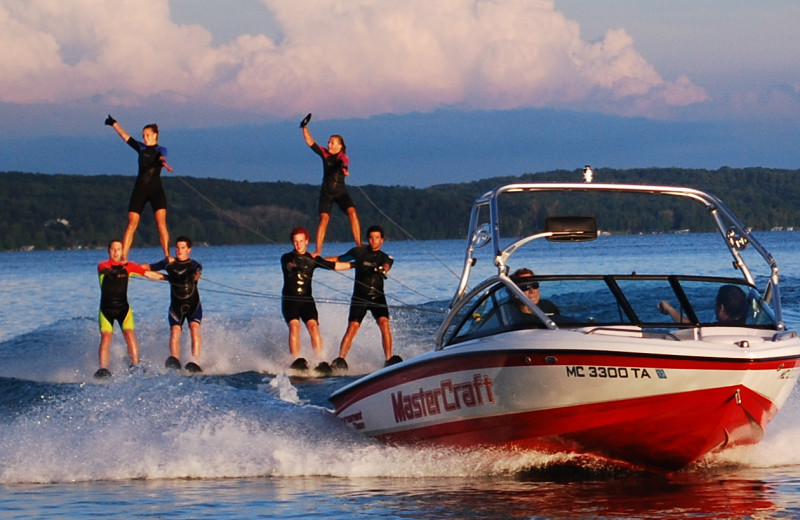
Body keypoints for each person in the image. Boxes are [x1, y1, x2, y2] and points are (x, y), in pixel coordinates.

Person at [326, 225, 400, 369]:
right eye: (371, 238)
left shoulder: (385, 257)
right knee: (353, 326)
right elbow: (338, 259)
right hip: (359, 297)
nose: (374, 241)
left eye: (377, 238)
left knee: (384, 324)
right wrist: (317, 261)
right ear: (368, 239)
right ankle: (340, 359)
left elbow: (387, 264)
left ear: (382, 240)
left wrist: (382, 269)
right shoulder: (358, 252)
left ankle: (389, 359)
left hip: (377, 297)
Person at [281, 226, 351, 369]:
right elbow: (289, 266)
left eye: (301, 241)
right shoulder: (287, 257)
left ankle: (319, 361)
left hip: (307, 300)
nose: (298, 244)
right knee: (294, 327)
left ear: (307, 241)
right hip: (290, 300)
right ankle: (296, 361)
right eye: (295, 242)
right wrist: (295, 268)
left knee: (313, 327)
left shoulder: (312, 259)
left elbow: (334, 266)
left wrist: (356, 265)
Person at [105, 115, 173, 262]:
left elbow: (163, 155)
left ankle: (167, 255)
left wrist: (162, 161)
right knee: (131, 223)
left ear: (155, 135)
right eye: (143, 135)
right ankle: (124, 257)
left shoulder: (161, 149)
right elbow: (125, 137)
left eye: (147, 135)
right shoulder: (141, 148)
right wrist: (114, 123)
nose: (145, 138)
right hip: (140, 190)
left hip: (156, 191)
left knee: (161, 223)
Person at [94, 239, 161, 378]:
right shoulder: (102, 266)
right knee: (106, 337)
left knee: (129, 335)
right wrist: (118, 269)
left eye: (118, 249)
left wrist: (169, 279)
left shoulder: (129, 266)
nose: (115, 252)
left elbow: (149, 274)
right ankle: (103, 369)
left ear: (122, 251)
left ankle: (136, 365)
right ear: (109, 251)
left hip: (123, 308)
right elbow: (106, 270)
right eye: (113, 249)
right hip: (106, 310)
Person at [300, 113, 362, 256]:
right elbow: (311, 142)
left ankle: (359, 244)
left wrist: (345, 170)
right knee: (324, 218)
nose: (329, 144)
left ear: (340, 146)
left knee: (352, 212)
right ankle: (318, 250)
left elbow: (344, 163)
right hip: (326, 192)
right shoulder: (325, 154)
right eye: (328, 142)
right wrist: (304, 127)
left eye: (332, 143)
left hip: (341, 192)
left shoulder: (343, 157)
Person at [147, 236, 204, 372]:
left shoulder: (194, 264)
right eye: (177, 248)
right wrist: (132, 268)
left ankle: (195, 361)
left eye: (183, 248)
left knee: (194, 328)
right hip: (176, 306)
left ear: (189, 249)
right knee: (175, 331)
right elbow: (149, 268)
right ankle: (175, 359)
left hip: (193, 304)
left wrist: (195, 275)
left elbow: (197, 273)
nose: (179, 250)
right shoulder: (168, 264)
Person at [657, 284, 748, 325]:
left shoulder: (717, 330)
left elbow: (690, 328)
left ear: (721, 308)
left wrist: (669, 309)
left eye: (716, 304)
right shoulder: (750, 325)